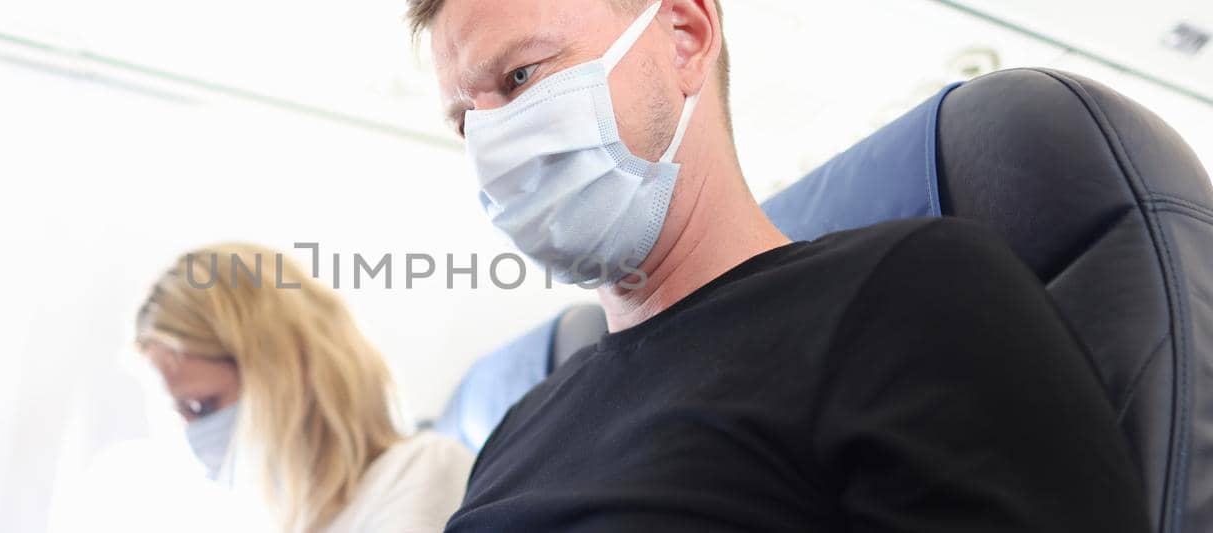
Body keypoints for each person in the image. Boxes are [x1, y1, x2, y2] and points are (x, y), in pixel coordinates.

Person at [405, 0, 1152, 531]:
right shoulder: (514, 430)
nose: (492, 142)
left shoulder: (914, 296)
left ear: (686, 36)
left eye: (521, 77)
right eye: (466, 120)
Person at [136, 242, 474, 533]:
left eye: (202, 407)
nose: (191, 434)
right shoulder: (269, 518)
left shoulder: (419, 471)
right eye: (178, 413)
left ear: (289, 371)